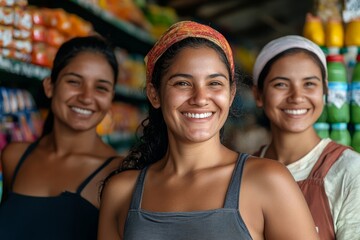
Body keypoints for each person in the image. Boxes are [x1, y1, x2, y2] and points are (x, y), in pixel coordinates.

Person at [98, 21, 319, 240]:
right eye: (182, 83)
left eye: (214, 83)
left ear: (231, 94)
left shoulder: (268, 181)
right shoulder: (121, 192)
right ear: (154, 94)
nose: (200, 98)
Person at [0, 35, 123, 240]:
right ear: (49, 86)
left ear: (111, 98)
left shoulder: (119, 175)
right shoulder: (14, 156)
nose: (86, 97)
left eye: (101, 88)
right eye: (74, 82)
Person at [252, 35, 360, 239]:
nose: (297, 97)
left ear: (325, 91)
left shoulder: (349, 171)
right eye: (281, 85)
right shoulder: (244, 170)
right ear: (258, 95)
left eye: (309, 84)